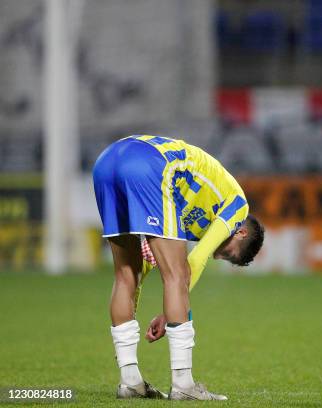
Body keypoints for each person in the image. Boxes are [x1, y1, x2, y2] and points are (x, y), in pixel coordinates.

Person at [92, 135, 265, 400]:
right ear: (240, 233)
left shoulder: (197, 209)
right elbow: (194, 262)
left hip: (107, 161)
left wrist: (143, 302)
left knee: (127, 274)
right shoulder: (238, 207)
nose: (220, 256)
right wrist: (168, 314)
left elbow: (146, 269)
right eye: (229, 253)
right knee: (177, 274)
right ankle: (184, 385)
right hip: (151, 164)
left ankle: (130, 382)